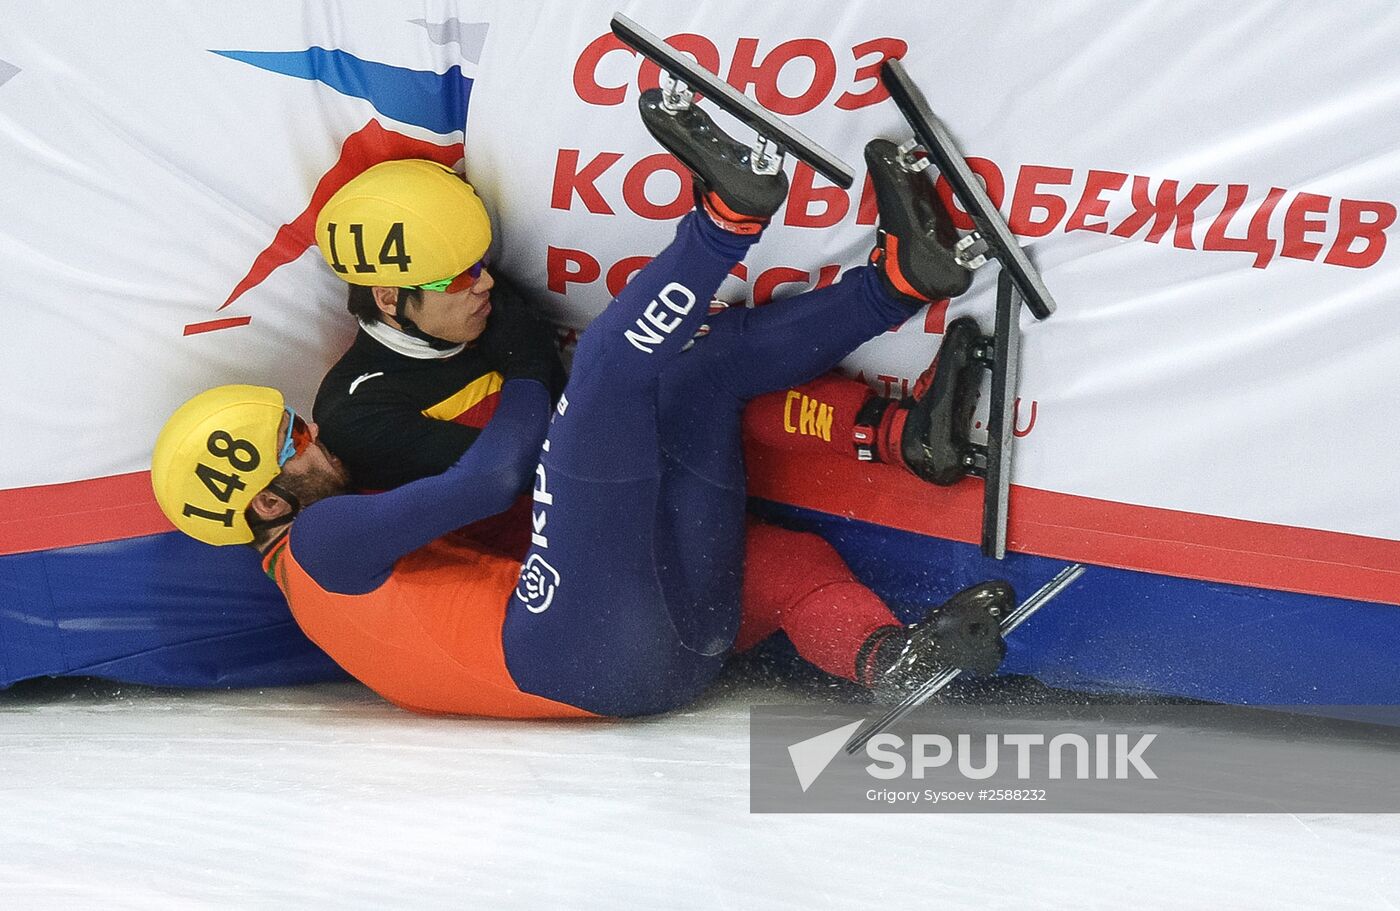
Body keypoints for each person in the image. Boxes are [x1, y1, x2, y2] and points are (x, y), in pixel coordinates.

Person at [149, 90, 1008, 718]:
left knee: (764, 527)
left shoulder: (317, 583)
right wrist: (526, 360)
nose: (316, 436)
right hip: (581, 645)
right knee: (610, 366)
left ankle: (889, 650)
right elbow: (493, 480)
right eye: (295, 441)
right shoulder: (318, 539)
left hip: (651, 665)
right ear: (264, 501)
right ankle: (726, 220)